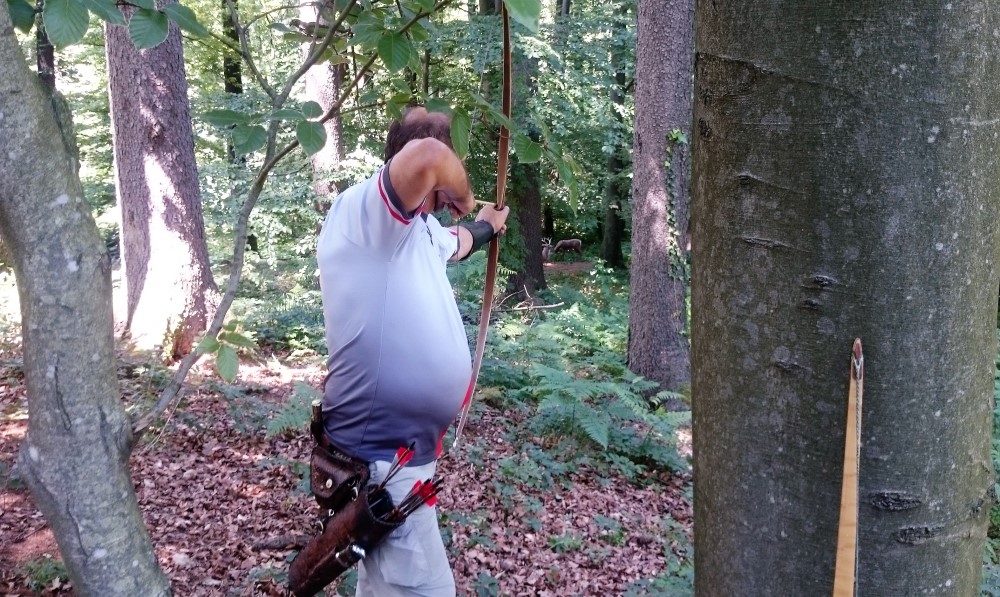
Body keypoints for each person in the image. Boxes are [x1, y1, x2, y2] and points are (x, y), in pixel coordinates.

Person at [315, 106, 510, 597]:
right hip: (381, 463)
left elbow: (457, 242)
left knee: (383, 587)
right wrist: (466, 194)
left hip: (400, 462)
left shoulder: (418, 231)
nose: (445, 203)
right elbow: (429, 156)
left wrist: (486, 225)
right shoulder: (364, 216)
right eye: (442, 188)